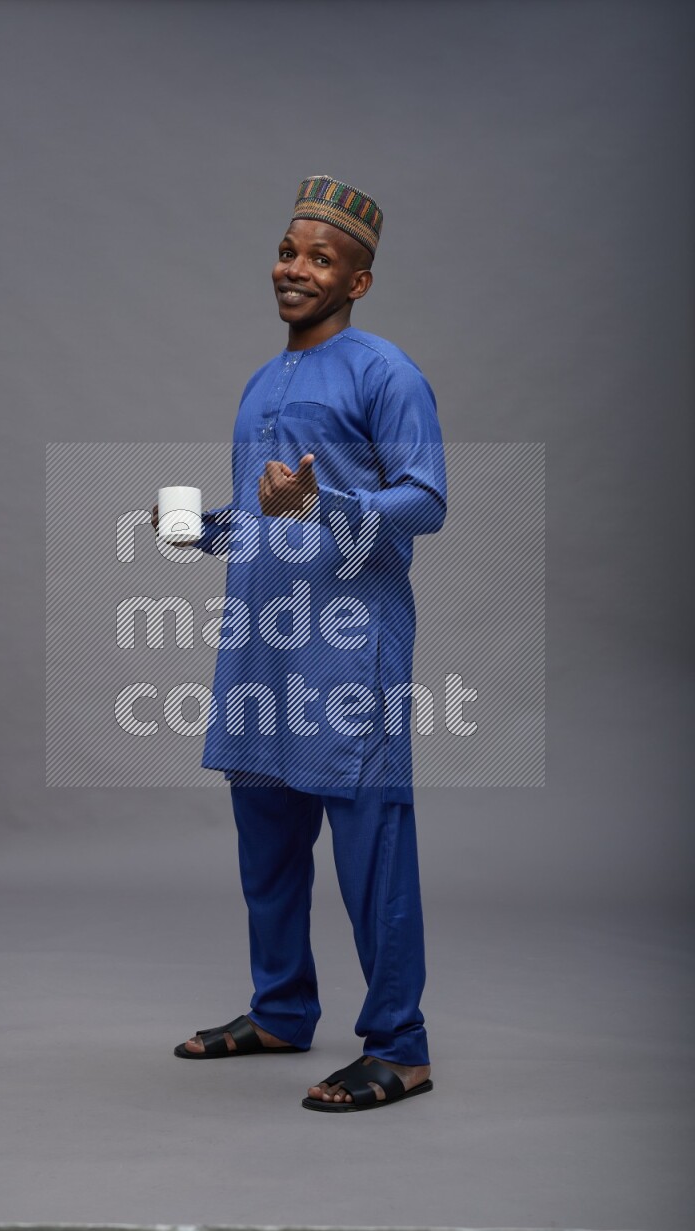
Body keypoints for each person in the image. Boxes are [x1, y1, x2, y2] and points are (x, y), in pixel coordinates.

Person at [156, 176, 447, 1111]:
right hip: (262, 646)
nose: (296, 268)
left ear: (357, 281)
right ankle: (281, 1007)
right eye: (290, 250)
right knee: (267, 844)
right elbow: (265, 514)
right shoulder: (262, 380)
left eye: (322, 258)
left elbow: (426, 500)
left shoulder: (384, 371)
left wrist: (326, 502)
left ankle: (400, 1046)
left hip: (347, 650)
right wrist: (202, 526)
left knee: (369, 849)